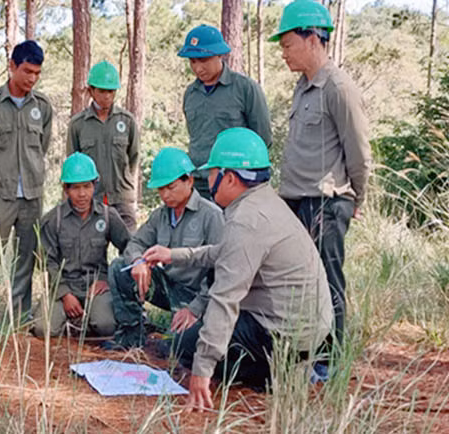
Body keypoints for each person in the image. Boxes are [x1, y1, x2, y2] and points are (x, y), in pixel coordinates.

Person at [141, 128, 333, 409]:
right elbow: (224, 252)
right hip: (307, 331)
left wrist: (201, 370)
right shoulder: (266, 203)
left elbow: (225, 299)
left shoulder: (246, 220)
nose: (207, 181)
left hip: (280, 336)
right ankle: (287, 368)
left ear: (229, 177)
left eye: (212, 173)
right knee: (195, 339)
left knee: (187, 346)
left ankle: (274, 375)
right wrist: (174, 254)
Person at [270, 0, 372, 357]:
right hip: (295, 201)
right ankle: (303, 352)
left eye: (287, 45)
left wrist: (356, 199)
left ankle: (331, 360)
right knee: (298, 284)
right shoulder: (302, 86)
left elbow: (358, 151)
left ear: (312, 38)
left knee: (327, 281)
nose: (284, 54)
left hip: (326, 202)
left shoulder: (338, 88)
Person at [106, 147, 223, 350]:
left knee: (171, 348)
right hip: (169, 286)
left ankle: (179, 332)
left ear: (190, 180)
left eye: (171, 187)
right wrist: (138, 262)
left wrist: (195, 309)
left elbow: (221, 270)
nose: (165, 195)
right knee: (119, 267)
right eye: (160, 189)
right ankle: (131, 335)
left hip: (198, 296)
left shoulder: (211, 215)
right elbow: (135, 244)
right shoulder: (160, 216)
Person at [0, 40, 54, 322]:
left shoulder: (42, 106)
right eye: (27, 71)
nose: (31, 78)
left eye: (37, 73)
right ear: (12, 66)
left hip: (31, 193)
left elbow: (43, 146)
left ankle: (19, 315)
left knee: (25, 257)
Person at [33, 153, 131, 338]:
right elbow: (48, 262)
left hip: (95, 285)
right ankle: (70, 321)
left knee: (106, 326)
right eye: (75, 188)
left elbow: (130, 248)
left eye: (87, 186)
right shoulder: (54, 220)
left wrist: (109, 279)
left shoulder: (108, 216)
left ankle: (86, 322)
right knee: (43, 329)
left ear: (95, 185)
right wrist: (65, 294)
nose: (82, 194)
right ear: (65, 189)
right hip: (63, 286)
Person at [179, 25, 273, 200]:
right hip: (199, 185)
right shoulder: (190, 94)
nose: (198, 68)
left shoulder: (245, 88)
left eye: (204, 59)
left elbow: (263, 138)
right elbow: (196, 137)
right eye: (193, 61)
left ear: (220, 55)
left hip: (235, 184)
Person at [67, 61, 140, 231]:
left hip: (122, 198)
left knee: (131, 248)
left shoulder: (127, 121)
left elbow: (133, 157)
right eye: (101, 91)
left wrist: (123, 181)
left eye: (111, 91)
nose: (106, 96)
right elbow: (72, 162)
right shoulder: (78, 124)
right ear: (91, 90)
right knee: (91, 250)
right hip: (91, 200)